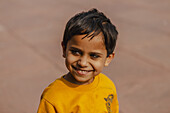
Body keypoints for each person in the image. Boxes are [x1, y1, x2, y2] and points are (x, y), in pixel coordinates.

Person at [37, 8, 119, 113]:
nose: (83, 63)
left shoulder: (108, 86)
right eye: (76, 52)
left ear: (108, 59)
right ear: (64, 49)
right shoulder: (53, 98)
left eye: (94, 56)